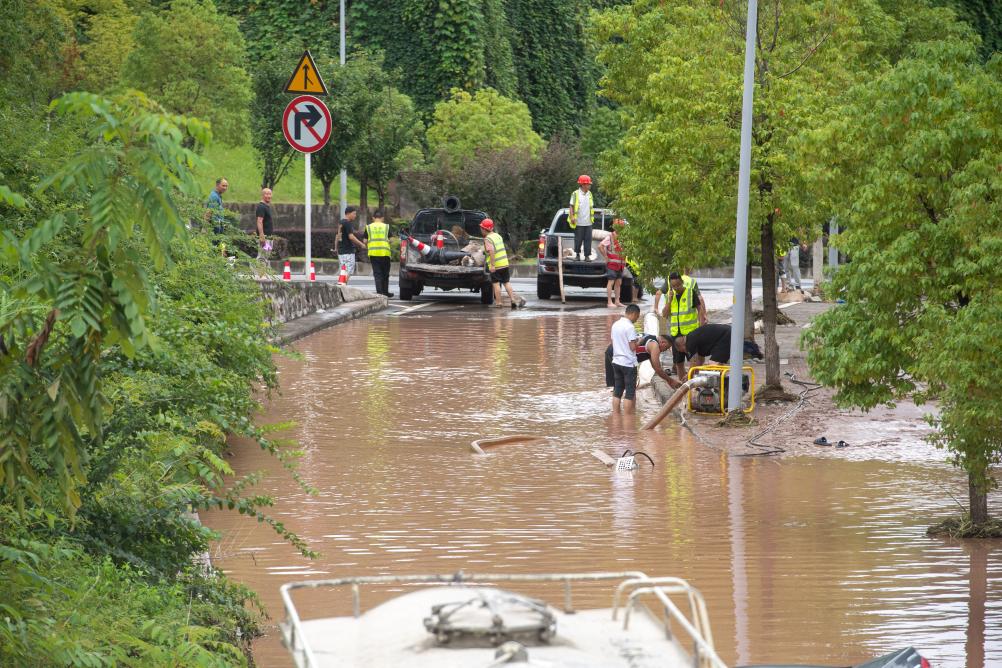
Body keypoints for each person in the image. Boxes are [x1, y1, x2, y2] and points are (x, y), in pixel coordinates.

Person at [663, 271, 708, 383]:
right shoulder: (670, 296)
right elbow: (665, 314)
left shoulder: (690, 293)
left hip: (690, 333)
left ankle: (693, 383)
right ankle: (684, 386)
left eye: (678, 285)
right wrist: (669, 300)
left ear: (682, 282)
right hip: (675, 333)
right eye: (673, 286)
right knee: (678, 362)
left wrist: (701, 327)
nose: (676, 288)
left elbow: (699, 309)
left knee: (693, 360)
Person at [605, 332, 678, 392]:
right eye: (667, 347)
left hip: (611, 350)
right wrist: (670, 381)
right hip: (619, 354)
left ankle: (615, 407)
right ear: (663, 342)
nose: (666, 350)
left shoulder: (650, 337)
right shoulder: (654, 346)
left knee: (618, 386)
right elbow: (658, 369)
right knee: (627, 388)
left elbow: (655, 366)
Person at [481, 218, 526, 309]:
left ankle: (498, 303)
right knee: (506, 282)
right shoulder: (498, 236)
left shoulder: (488, 239)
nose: (480, 230)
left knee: (496, 284)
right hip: (504, 264)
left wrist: (492, 265)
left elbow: (492, 251)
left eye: (481, 228)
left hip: (496, 265)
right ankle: (513, 300)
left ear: (484, 229)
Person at [672, 323, 763, 366]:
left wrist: (689, 378)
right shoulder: (693, 337)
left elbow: (694, 362)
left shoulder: (690, 342)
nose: (685, 352)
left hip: (725, 336)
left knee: (713, 364)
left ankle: (719, 388)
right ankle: (754, 350)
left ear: (682, 345)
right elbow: (700, 360)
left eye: (683, 351)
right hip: (725, 333)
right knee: (716, 364)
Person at [609, 304, 641, 413]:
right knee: (630, 392)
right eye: (637, 317)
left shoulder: (615, 324)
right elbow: (632, 347)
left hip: (616, 362)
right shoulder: (630, 327)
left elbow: (613, 343)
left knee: (617, 391)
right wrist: (639, 341)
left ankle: (616, 415)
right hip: (628, 364)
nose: (637, 319)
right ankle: (628, 418)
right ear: (633, 314)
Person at [597, 218, 627, 308]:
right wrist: (606, 257)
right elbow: (600, 246)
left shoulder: (624, 237)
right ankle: (609, 302)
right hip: (612, 264)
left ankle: (617, 301)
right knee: (611, 282)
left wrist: (625, 261)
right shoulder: (610, 236)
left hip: (620, 265)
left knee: (619, 283)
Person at [364, 208, 393, 297]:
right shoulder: (386, 227)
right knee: (385, 274)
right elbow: (391, 240)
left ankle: (379, 293)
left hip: (373, 253)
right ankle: (386, 292)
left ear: (373, 218)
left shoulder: (368, 227)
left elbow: (365, 241)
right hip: (385, 253)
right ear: (382, 218)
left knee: (377, 273)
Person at [336, 205, 366, 284]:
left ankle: (341, 285)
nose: (355, 216)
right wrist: (361, 244)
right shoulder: (347, 223)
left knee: (344, 270)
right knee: (348, 270)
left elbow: (338, 236)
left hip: (341, 250)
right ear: (348, 213)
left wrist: (336, 247)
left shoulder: (341, 222)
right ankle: (342, 285)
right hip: (348, 250)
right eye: (354, 214)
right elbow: (351, 236)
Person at [568, 174, 594, 261]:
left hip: (588, 222)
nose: (589, 185)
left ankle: (587, 256)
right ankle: (577, 255)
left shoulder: (590, 194)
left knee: (588, 240)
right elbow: (571, 206)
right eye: (588, 184)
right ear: (583, 184)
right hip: (578, 222)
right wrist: (572, 217)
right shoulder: (575, 194)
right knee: (578, 240)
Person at [255, 187, 273, 259]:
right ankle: (257, 270)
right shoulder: (261, 207)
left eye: (270, 194)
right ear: (262, 195)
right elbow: (259, 221)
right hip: (264, 237)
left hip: (268, 236)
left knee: (266, 256)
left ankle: (264, 270)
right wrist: (261, 236)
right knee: (262, 257)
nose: (268, 196)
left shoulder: (266, 206)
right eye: (266, 194)